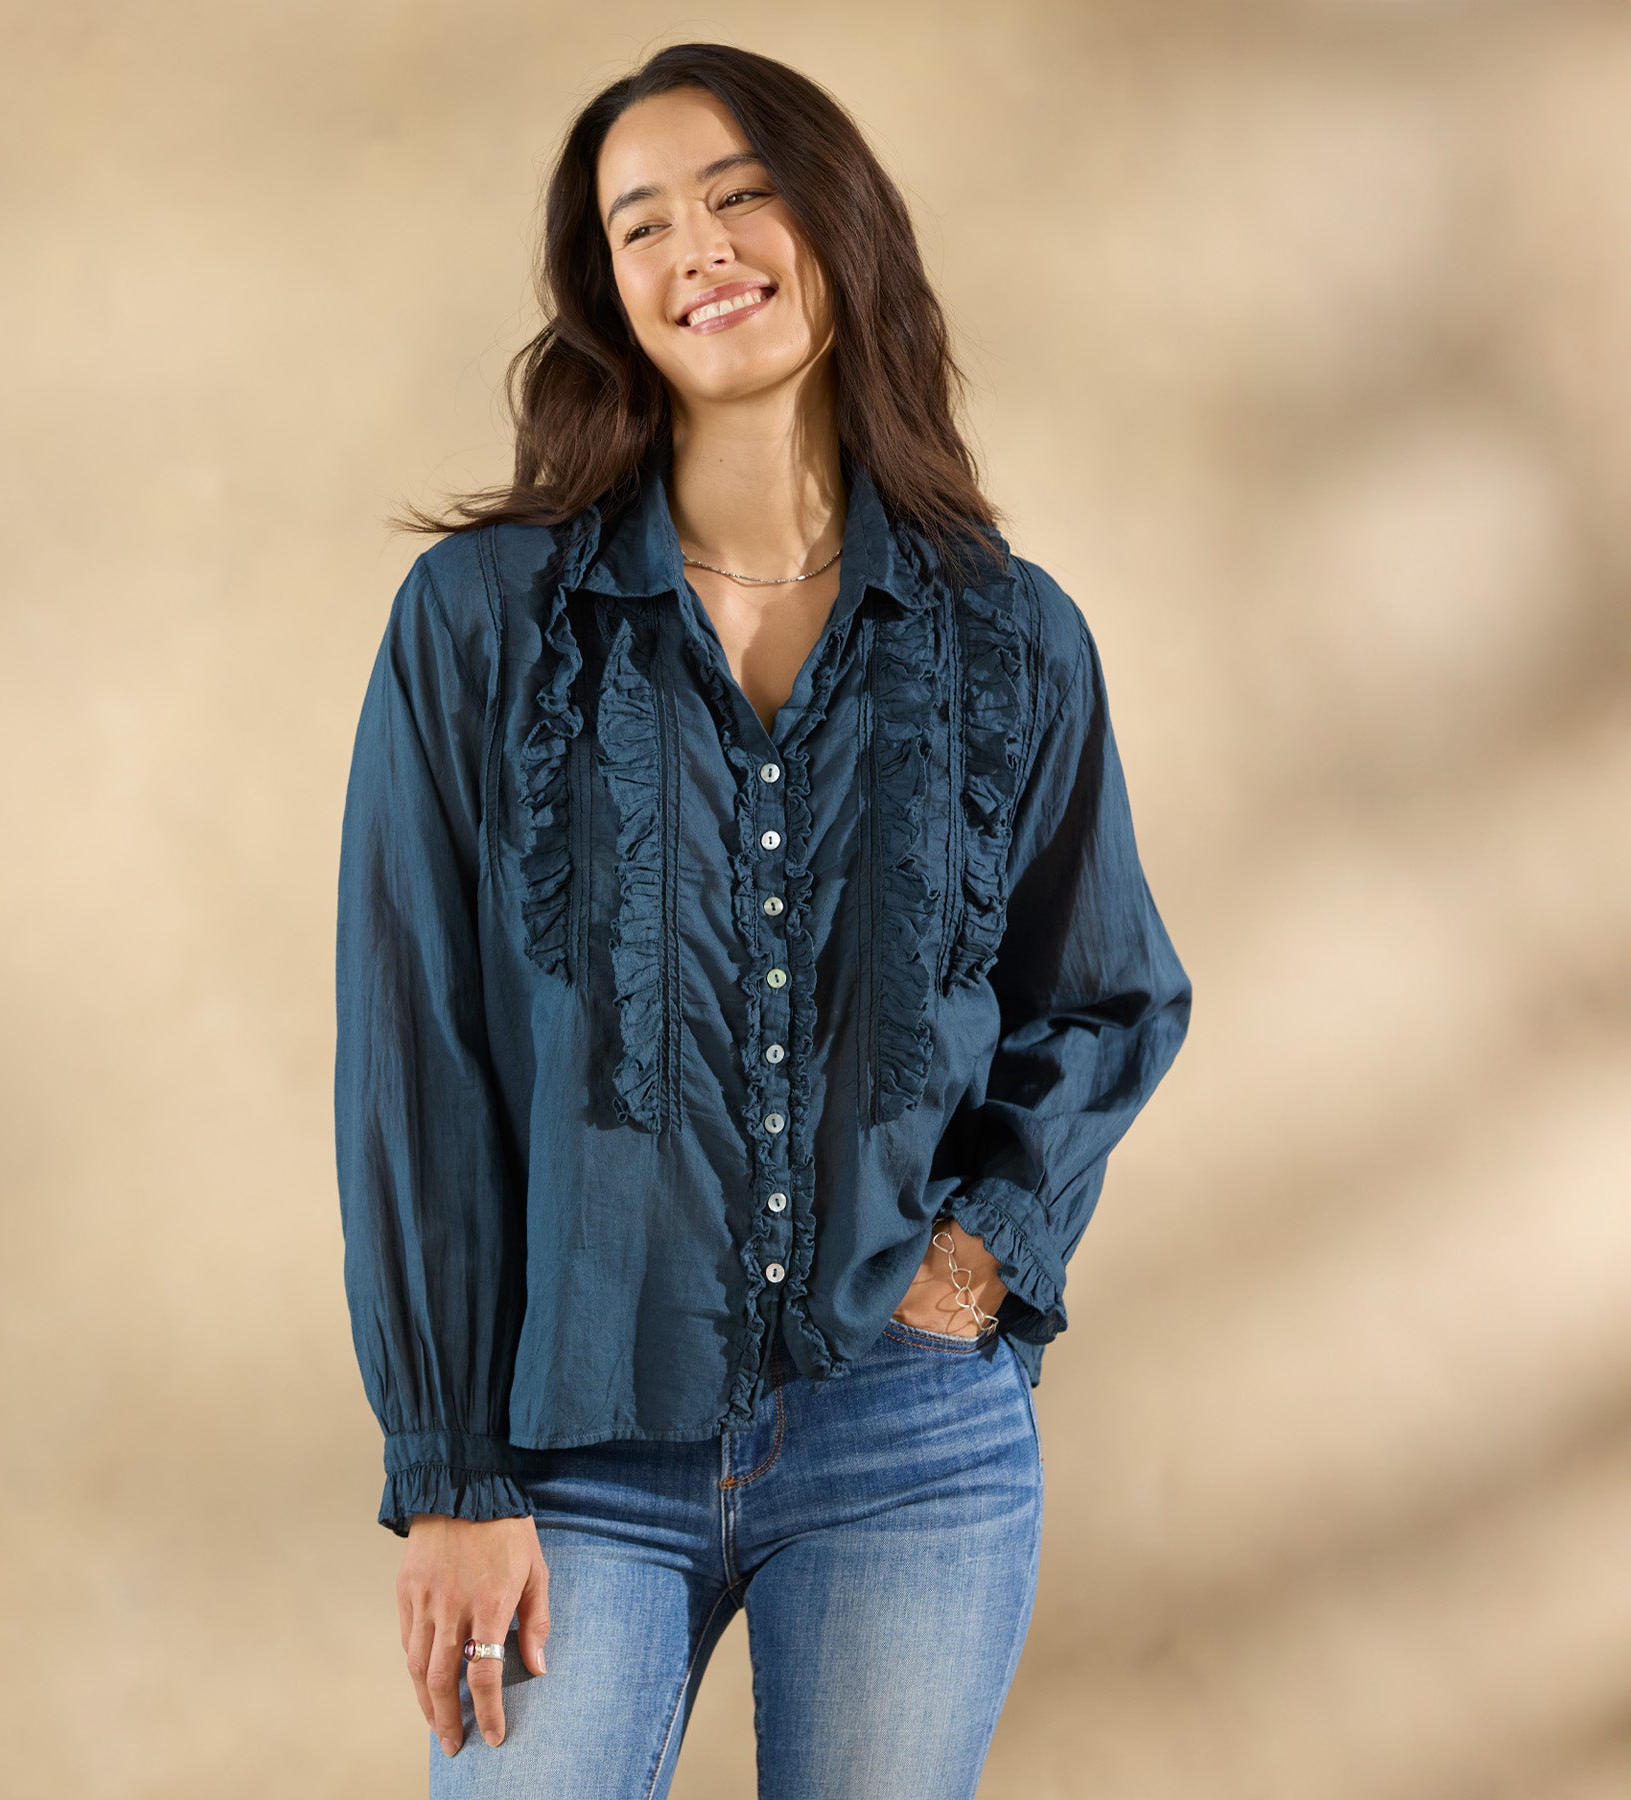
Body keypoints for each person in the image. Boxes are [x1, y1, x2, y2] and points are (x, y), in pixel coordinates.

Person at [333, 41, 1192, 1799]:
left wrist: (985, 1248)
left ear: (838, 223)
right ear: (608, 291)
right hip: (566, 1447)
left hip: (911, 1445)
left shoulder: (1010, 636)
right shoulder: (482, 625)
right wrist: (449, 1474)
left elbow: (1109, 995)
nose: (699, 247)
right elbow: (415, 1056)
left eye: (740, 193)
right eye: (642, 222)